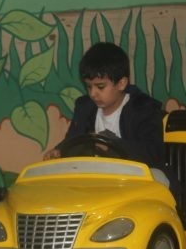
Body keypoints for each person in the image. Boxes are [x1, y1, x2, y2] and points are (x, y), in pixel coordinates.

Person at [43, 42, 170, 183]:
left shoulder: (143, 109)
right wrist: (60, 150)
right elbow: (74, 140)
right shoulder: (84, 108)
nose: (93, 93)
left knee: (157, 176)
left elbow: (153, 152)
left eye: (100, 87)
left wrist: (112, 144)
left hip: (136, 176)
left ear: (121, 83)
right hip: (100, 177)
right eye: (89, 86)